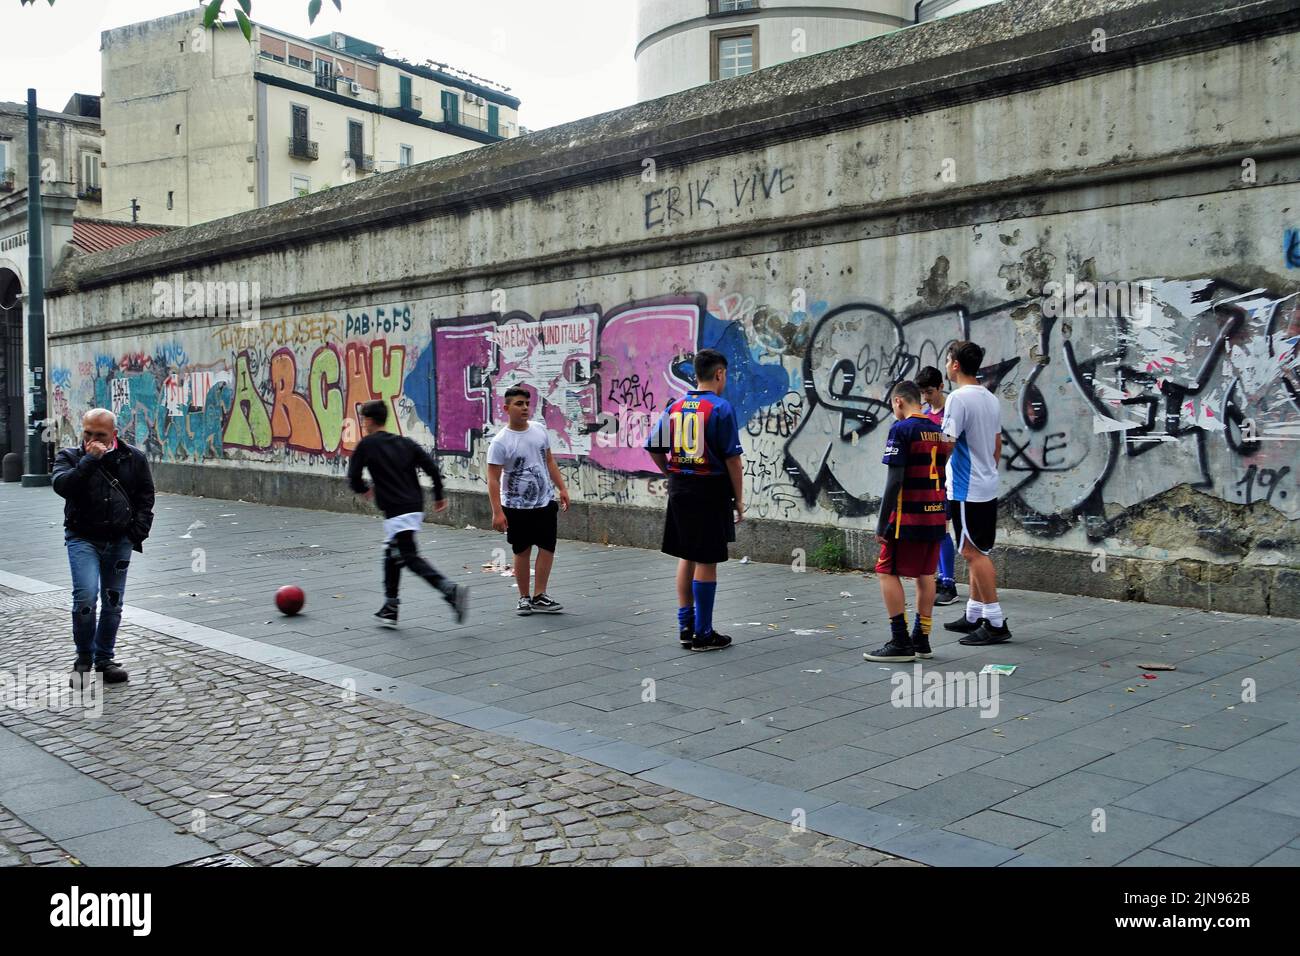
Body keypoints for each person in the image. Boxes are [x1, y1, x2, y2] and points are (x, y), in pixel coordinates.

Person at [645, 348, 744, 652]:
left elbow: (653, 447)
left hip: (680, 487)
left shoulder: (674, 406)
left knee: (686, 554)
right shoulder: (721, 409)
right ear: (719, 374)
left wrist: (670, 473)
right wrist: (739, 499)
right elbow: (732, 461)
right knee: (707, 558)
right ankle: (704, 633)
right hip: (709, 489)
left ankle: (686, 626)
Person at [52, 408, 156, 685]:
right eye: (87, 433)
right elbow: (62, 485)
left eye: (100, 435)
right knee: (85, 597)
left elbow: (146, 496)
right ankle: (83, 658)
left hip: (119, 540)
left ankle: (105, 659)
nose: (92, 439)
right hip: (82, 538)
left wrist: (136, 532)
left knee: (113, 602)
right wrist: (89, 460)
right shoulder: (70, 457)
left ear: (114, 434)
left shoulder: (133, 458)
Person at [348, 400, 468, 627]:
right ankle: (390, 606)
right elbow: (432, 467)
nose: (363, 424)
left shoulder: (367, 445)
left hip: (396, 509)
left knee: (408, 557)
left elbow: (353, 477)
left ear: (369, 421)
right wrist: (439, 495)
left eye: (364, 420)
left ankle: (449, 590)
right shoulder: (405, 443)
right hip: (414, 506)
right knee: (392, 552)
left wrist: (364, 490)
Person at [863, 382, 949, 662]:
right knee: (926, 575)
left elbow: (895, 480)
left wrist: (881, 523)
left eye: (892, 405)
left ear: (898, 401)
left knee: (886, 570)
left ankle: (900, 641)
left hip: (908, 516)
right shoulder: (937, 430)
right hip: (936, 514)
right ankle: (921, 639)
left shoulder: (902, 430)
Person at [939, 341, 1011, 645]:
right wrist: (987, 472)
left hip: (967, 488)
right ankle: (974, 613)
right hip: (985, 484)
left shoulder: (957, 399)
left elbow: (947, 442)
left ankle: (994, 621)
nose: (946, 365)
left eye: (947, 360)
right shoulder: (989, 398)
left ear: (955, 364)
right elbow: (997, 446)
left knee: (972, 552)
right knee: (976, 550)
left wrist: (934, 472)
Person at [487, 387, 571, 615]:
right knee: (522, 550)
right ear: (506, 408)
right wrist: (497, 512)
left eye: (526, 403)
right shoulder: (500, 442)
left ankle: (540, 595)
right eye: (518, 404)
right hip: (516, 507)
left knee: (547, 547)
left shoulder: (539, 430)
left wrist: (562, 487)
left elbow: (550, 460)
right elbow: (493, 479)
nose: (524, 408)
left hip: (544, 503)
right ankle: (523, 597)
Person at [916, 365, 959, 606]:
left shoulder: (950, 413)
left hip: (947, 481)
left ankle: (948, 583)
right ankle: (939, 578)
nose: (926, 397)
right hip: (928, 480)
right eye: (922, 393)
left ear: (941, 387)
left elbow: (949, 448)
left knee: (942, 530)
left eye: (930, 392)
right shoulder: (923, 414)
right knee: (933, 532)